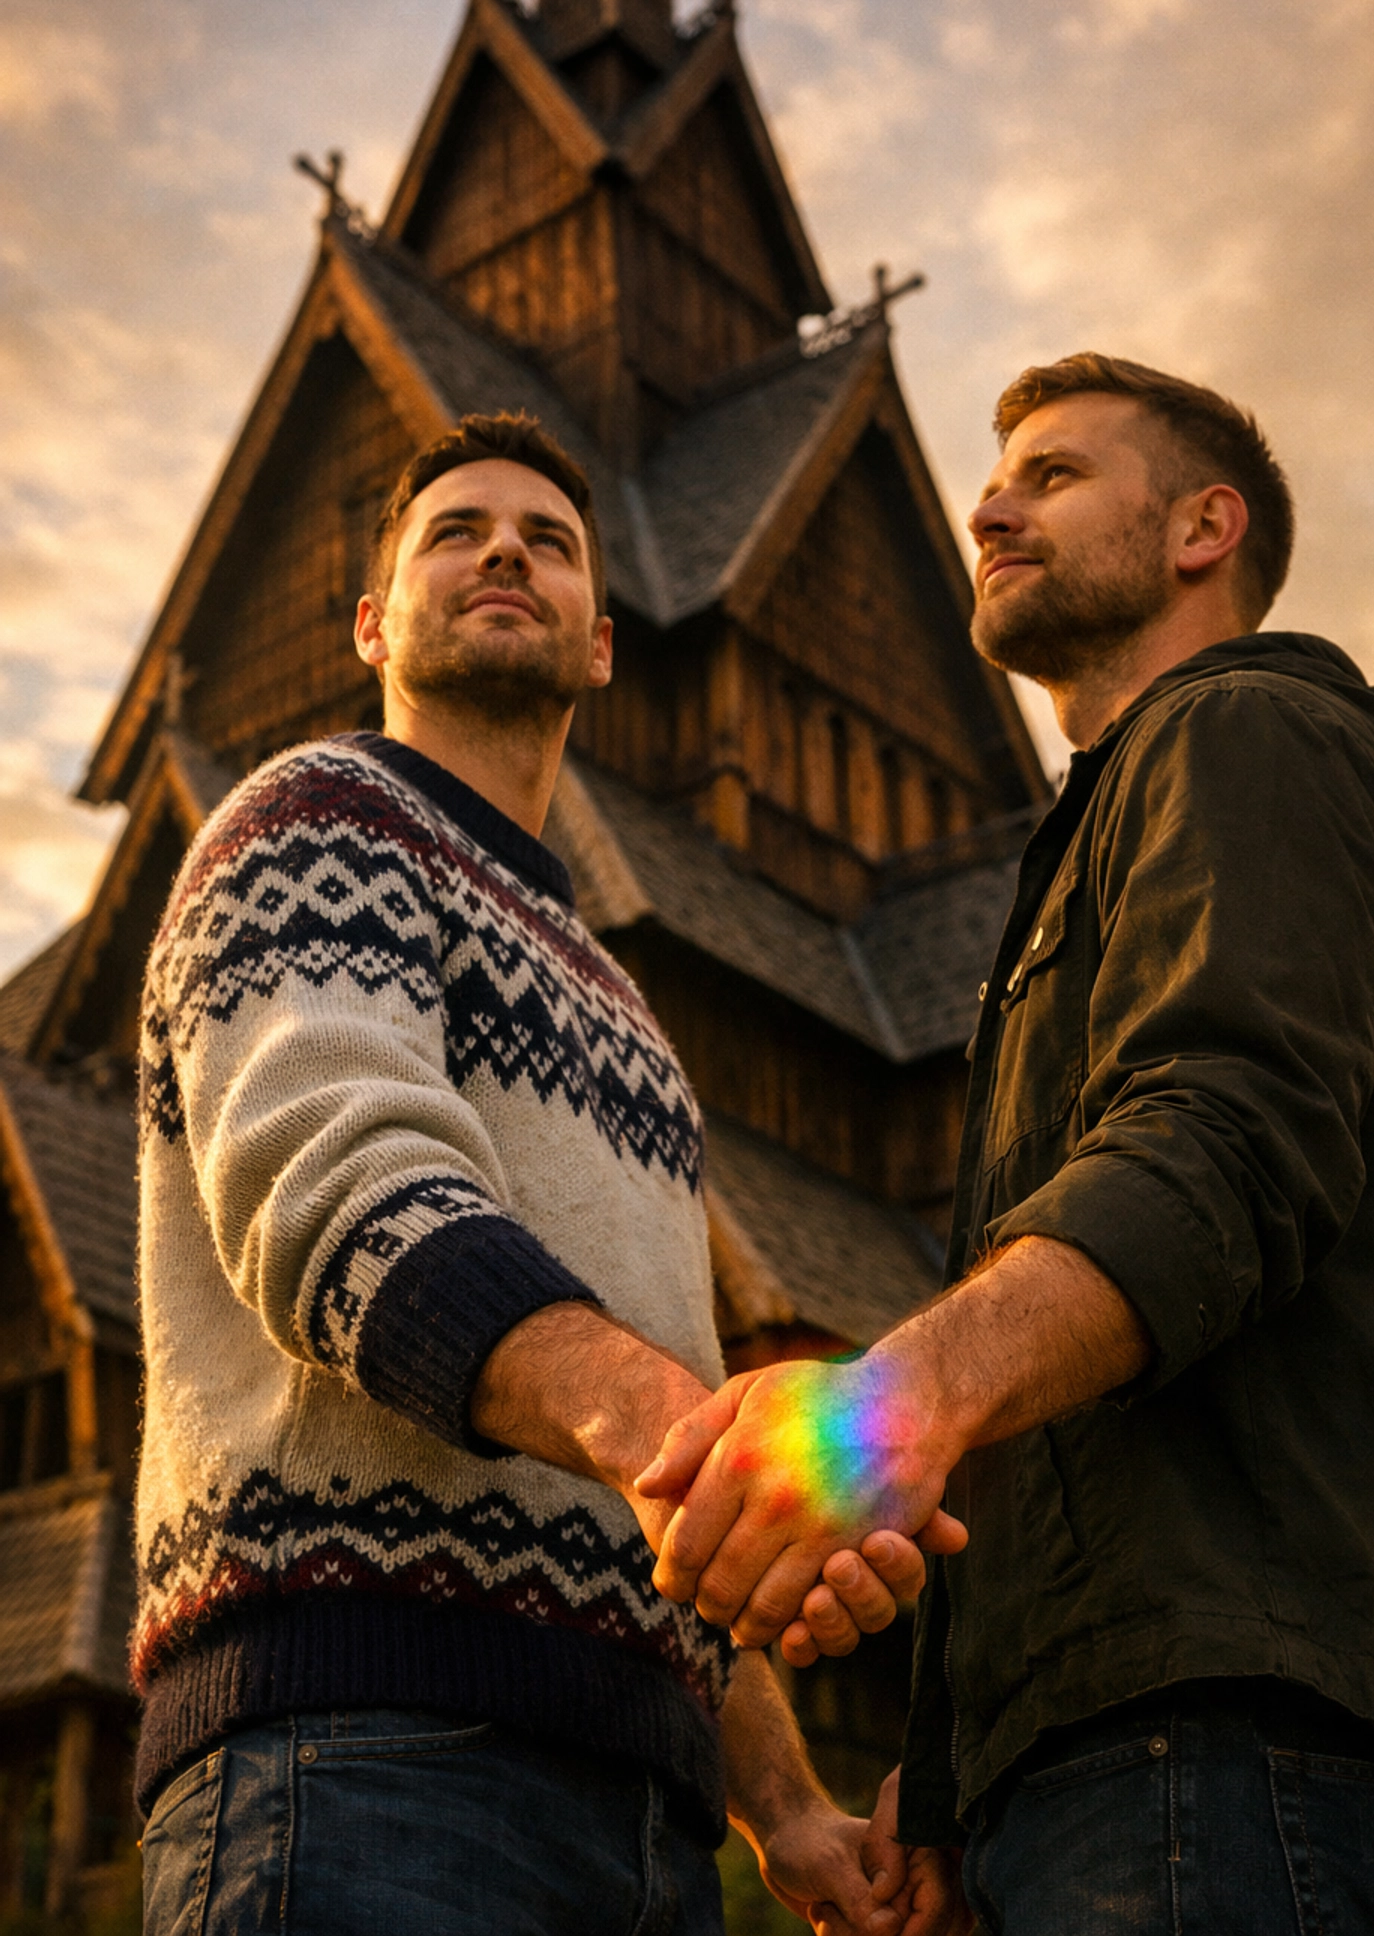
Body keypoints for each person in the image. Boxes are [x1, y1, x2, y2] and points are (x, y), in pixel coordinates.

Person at [641, 355, 1374, 1935]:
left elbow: (1223, 1145)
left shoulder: (1250, 734)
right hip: (1119, 1753)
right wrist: (956, 1762)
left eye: (1052, 475)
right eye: (996, 481)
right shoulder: (1103, 835)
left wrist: (885, 1402)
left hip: (1232, 1736)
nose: (988, 506)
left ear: (1205, 527)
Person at [133, 409, 960, 1936]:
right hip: (366, 1751)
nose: (506, 548)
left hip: (646, 1825)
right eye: (457, 531)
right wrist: (731, 1458)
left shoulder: (633, 1024)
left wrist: (781, 1808)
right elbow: (345, 1202)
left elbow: (660, 1482)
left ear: (598, 647)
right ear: (376, 623)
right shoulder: (313, 824)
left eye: (552, 542)